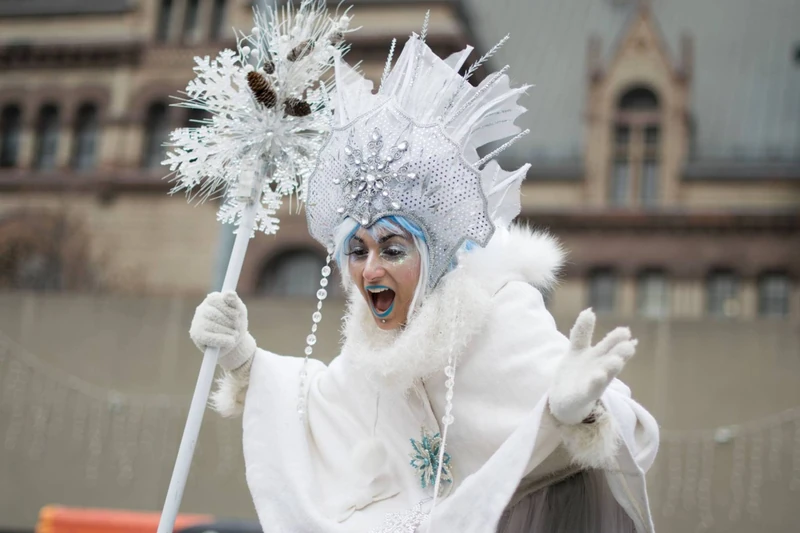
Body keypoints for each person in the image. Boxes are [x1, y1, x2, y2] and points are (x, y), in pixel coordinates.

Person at [189, 30, 659, 533]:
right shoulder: (375, 345)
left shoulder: (497, 308)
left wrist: (579, 413)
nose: (370, 270)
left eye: (392, 249)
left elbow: (630, 431)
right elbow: (318, 409)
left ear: (432, 254)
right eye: (357, 250)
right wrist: (242, 357)